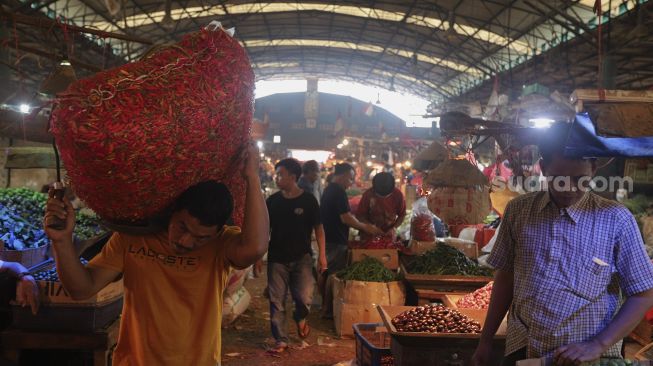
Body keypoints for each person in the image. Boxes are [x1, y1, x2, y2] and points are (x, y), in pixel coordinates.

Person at [43, 143, 269, 366]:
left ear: (218, 232)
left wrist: (252, 177)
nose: (185, 242)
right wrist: (62, 241)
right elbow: (81, 289)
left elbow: (256, 248)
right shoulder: (132, 237)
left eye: (201, 238)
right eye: (182, 227)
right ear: (173, 212)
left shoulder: (223, 245)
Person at [472, 123, 653, 366]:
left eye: (579, 179)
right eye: (558, 178)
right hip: (523, 349)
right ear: (544, 168)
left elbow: (643, 293)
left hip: (586, 357)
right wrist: (485, 341)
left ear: (594, 170)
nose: (568, 188)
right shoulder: (519, 211)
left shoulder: (616, 219)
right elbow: (505, 277)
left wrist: (598, 345)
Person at [265, 158, 326, 353]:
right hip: (276, 259)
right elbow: (264, 230)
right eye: (276, 174)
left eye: (280, 174)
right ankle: (280, 339)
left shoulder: (309, 201)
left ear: (293, 177)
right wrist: (258, 256)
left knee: (304, 298)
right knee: (276, 301)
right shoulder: (272, 201)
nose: (277, 178)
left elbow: (319, 229)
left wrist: (322, 256)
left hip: (302, 258)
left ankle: (300, 316)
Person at [319, 162, 383, 317]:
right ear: (343, 176)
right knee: (334, 273)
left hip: (328, 236)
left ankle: (324, 305)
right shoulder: (338, 192)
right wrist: (364, 227)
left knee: (325, 272)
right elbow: (345, 217)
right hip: (335, 238)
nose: (351, 183)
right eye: (350, 179)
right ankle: (327, 309)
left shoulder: (329, 189)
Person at [355, 172, 406, 242]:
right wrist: (370, 226)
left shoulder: (398, 195)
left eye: (386, 195)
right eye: (380, 195)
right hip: (368, 235)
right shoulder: (368, 194)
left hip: (389, 235)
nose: (383, 197)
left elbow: (402, 215)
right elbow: (360, 216)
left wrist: (394, 228)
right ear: (374, 188)